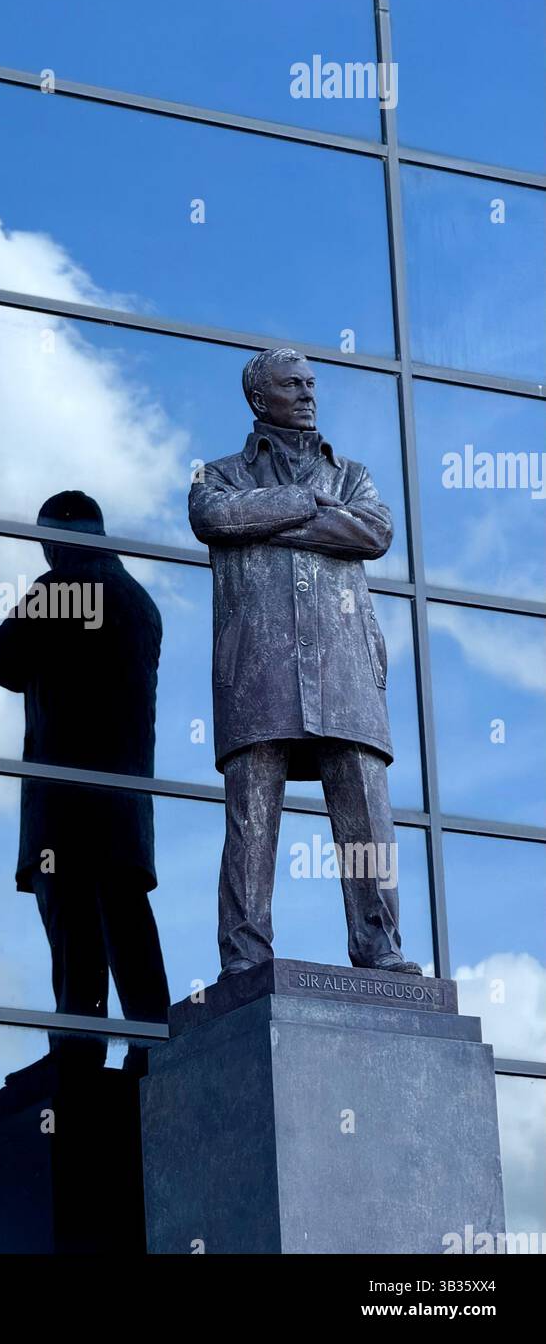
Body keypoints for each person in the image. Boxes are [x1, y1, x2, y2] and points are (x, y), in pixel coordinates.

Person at [189, 348, 421, 979]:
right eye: (292, 384)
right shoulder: (218, 474)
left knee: (367, 819)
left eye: (312, 382)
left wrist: (268, 517)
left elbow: (373, 532)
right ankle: (243, 955)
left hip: (346, 677)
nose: (308, 393)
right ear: (261, 399)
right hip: (257, 677)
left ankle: (381, 949)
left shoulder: (353, 473)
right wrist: (308, 507)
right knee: (251, 823)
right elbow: (215, 516)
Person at [0, 491, 170, 1045]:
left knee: (74, 929)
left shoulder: (63, 587)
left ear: (56, 538)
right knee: (127, 923)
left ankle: (77, 1055)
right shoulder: (140, 601)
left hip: (67, 798)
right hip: (125, 800)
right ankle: (151, 1043)